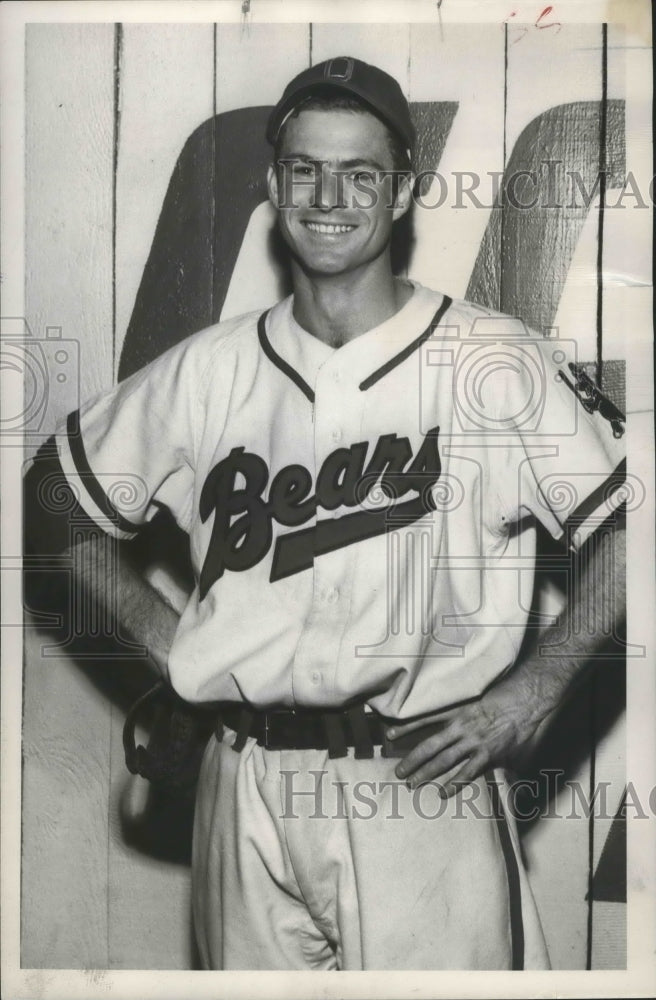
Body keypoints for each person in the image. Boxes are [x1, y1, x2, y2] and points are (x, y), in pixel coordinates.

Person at [25, 56, 626, 970]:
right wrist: (172, 653)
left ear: (402, 194)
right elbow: (57, 496)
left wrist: (534, 691)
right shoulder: (210, 368)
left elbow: (632, 523)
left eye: (360, 172)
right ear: (274, 185)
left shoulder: (491, 362)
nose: (329, 195)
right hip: (244, 777)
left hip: (417, 776)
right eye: (305, 168)